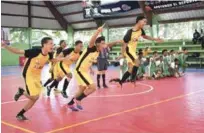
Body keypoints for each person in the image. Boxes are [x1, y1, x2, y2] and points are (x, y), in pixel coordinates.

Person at [1, 37, 64, 120]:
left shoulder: (49, 54)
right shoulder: (34, 52)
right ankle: (22, 92)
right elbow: (17, 51)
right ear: (44, 44)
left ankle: (20, 114)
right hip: (28, 74)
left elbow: (52, 60)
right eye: (50, 43)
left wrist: (63, 59)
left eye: (53, 43)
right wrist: (5, 46)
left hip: (37, 76)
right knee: (34, 97)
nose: (52, 45)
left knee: (35, 98)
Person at [67, 26, 122, 111]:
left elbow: (89, 60)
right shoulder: (92, 48)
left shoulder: (98, 52)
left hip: (84, 71)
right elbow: (92, 41)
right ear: (98, 44)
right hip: (80, 70)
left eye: (104, 43)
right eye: (103, 43)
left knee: (82, 88)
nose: (104, 45)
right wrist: (97, 32)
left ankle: (70, 103)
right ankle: (78, 99)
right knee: (92, 87)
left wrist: (117, 41)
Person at [114, 16, 162, 86]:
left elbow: (145, 36)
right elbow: (124, 44)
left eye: (146, 22)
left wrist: (155, 39)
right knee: (137, 61)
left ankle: (121, 82)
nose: (145, 23)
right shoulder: (130, 32)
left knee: (130, 69)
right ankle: (133, 79)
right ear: (139, 21)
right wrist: (122, 54)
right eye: (144, 21)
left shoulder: (141, 30)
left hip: (132, 51)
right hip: (128, 50)